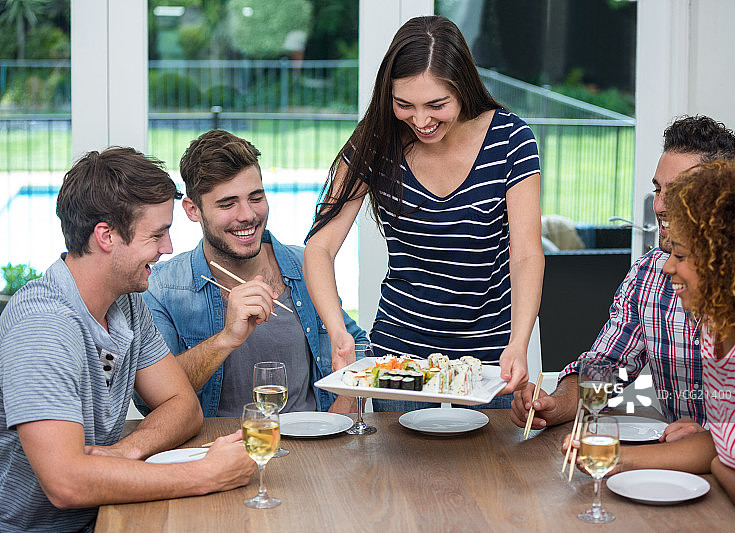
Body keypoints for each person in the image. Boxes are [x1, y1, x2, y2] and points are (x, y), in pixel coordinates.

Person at [0, 148, 253, 533]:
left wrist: (125, 450)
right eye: (157, 234)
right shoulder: (43, 326)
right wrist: (203, 474)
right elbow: (66, 483)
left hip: (103, 517)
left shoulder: (128, 304)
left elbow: (183, 405)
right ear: (106, 236)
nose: (168, 248)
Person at [303, 15, 543, 406]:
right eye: (404, 105)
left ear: (462, 88)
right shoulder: (377, 139)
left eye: (436, 105)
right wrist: (336, 330)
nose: (421, 120)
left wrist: (519, 344)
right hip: (397, 363)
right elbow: (319, 247)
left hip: (486, 367)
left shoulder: (510, 139)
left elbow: (528, 253)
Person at [511, 115, 735, 438]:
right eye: (658, 189)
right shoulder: (649, 274)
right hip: (678, 469)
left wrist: (709, 440)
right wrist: (556, 405)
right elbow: (606, 367)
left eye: (677, 192)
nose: (660, 204)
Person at [596, 157, 735, 530]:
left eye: (682, 256)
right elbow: (714, 443)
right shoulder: (718, 335)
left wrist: (718, 467)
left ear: (728, 263)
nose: (666, 267)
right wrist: (614, 457)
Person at [142, 129, 368, 417]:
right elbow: (152, 396)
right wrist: (226, 338)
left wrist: (340, 412)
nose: (247, 215)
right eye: (227, 203)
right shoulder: (160, 288)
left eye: (256, 197)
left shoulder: (305, 265)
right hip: (212, 453)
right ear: (192, 210)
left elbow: (355, 345)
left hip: (310, 448)